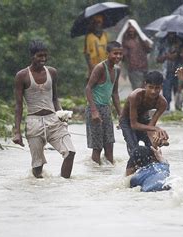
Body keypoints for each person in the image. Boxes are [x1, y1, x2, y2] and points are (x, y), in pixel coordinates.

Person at [13, 40, 76, 178]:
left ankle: (64, 185)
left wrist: (62, 115)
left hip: (53, 120)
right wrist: (17, 131)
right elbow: (18, 106)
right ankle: (39, 188)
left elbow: (54, 98)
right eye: (39, 56)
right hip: (34, 123)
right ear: (32, 56)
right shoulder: (22, 76)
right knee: (37, 166)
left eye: (45, 56)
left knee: (70, 152)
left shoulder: (52, 72)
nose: (43, 59)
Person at [119, 71, 169, 175]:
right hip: (128, 122)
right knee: (135, 151)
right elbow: (134, 125)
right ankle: (128, 176)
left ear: (161, 87)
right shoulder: (135, 96)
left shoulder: (162, 103)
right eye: (150, 87)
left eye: (157, 88)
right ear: (145, 85)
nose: (153, 91)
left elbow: (151, 126)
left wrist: (156, 140)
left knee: (153, 150)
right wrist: (156, 129)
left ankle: (152, 173)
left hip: (144, 121)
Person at [85, 41, 123, 165]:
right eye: (115, 53)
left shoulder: (117, 70)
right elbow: (88, 88)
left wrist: (120, 114)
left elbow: (115, 93)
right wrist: (94, 111)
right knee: (97, 147)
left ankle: (108, 174)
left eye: (120, 54)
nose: (118, 56)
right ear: (108, 54)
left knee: (109, 144)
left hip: (106, 109)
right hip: (94, 109)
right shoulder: (100, 68)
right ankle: (95, 176)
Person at [117, 19, 153, 91]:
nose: (131, 30)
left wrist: (146, 43)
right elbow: (123, 55)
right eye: (129, 29)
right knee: (138, 90)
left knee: (145, 89)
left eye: (133, 28)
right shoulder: (126, 41)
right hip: (134, 69)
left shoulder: (141, 39)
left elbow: (148, 50)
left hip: (144, 68)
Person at [156, 32, 183, 110]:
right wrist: (166, 56)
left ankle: (178, 110)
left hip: (178, 72)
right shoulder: (162, 43)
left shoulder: (181, 42)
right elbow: (157, 59)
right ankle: (166, 110)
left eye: (173, 33)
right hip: (166, 72)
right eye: (170, 33)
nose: (171, 35)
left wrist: (177, 54)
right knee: (166, 94)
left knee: (178, 93)